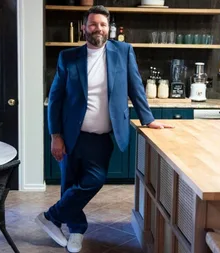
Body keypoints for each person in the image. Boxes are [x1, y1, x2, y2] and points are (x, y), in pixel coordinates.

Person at [36, 5, 173, 253]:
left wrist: (148, 118)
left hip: (101, 138)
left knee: (94, 181)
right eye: (92, 24)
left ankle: (50, 216)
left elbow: (135, 87)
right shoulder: (68, 58)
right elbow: (55, 99)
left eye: (102, 24)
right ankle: (76, 232)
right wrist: (55, 136)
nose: (97, 28)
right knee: (69, 185)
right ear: (83, 28)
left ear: (109, 28)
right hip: (71, 136)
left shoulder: (123, 51)